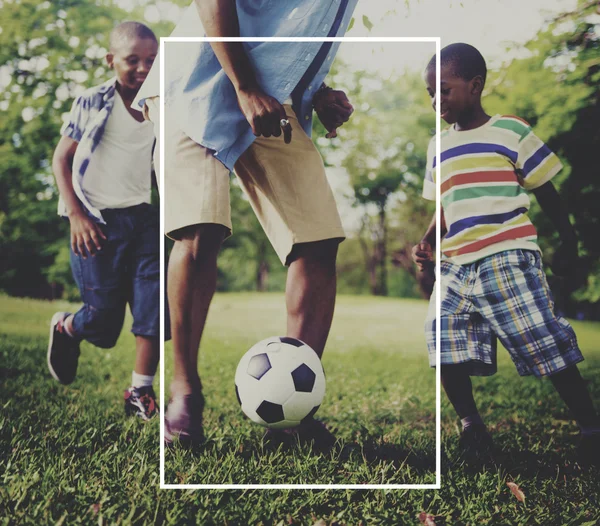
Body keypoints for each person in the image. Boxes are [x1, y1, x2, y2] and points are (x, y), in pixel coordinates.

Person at [136, 0, 358, 445]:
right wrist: (244, 85)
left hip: (273, 95)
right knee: (201, 228)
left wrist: (318, 91)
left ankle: (293, 409)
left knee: (317, 237)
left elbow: (291, 32)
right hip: (194, 80)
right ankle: (185, 393)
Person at [413, 43, 600, 463]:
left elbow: (546, 190)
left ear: (475, 86)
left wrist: (568, 240)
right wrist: (428, 240)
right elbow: (443, 204)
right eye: (429, 93)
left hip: (506, 253)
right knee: (441, 336)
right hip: (455, 262)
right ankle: (471, 426)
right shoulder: (436, 147)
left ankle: (592, 427)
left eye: (444, 89)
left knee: (542, 337)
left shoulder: (510, 131)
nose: (435, 100)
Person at [48, 22, 161, 421]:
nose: (144, 68)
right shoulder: (93, 100)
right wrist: (76, 215)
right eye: (133, 60)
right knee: (103, 323)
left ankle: (140, 392)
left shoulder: (160, 104)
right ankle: (67, 327)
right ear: (111, 60)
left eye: (152, 59)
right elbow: (61, 159)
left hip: (144, 220)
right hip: (95, 221)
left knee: (153, 307)